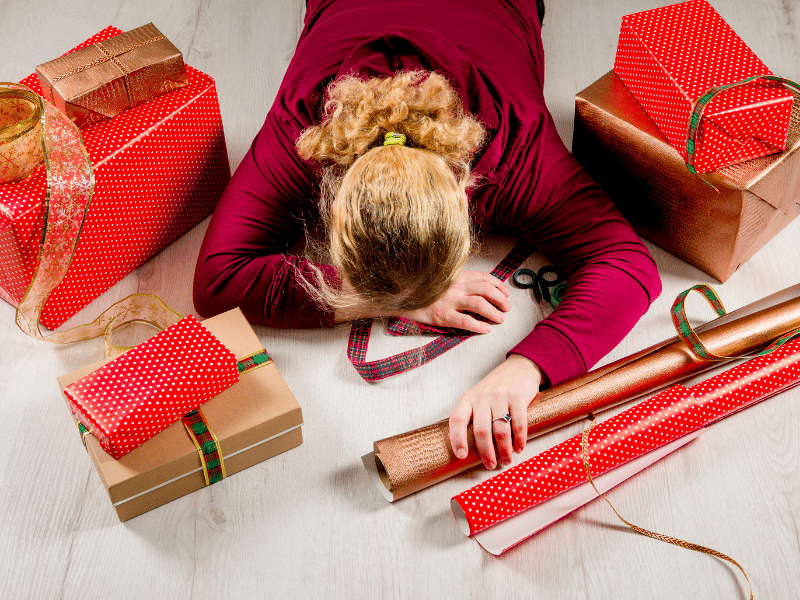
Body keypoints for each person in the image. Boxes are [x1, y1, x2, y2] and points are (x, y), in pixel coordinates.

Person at [193, 0, 661, 471]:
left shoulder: (517, 151)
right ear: (333, 201)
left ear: (465, 200)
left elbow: (627, 265)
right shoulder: (307, 131)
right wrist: (397, 297)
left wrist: (526, 370)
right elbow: (217, 279)